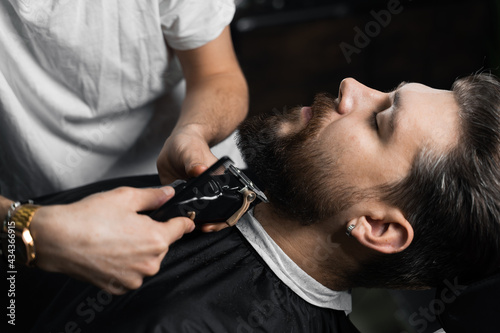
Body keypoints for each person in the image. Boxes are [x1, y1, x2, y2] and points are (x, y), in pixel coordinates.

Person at [5, 73, 499, 332]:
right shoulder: (238, 191)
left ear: (377, 227)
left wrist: (25, 231)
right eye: (386, 90)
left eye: (379, 120)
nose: (352, 87)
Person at [0, 0, 248, 293]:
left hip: (191, 191)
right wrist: (27, 230)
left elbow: (218, 74)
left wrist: (193, 132)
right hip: (41, 218)